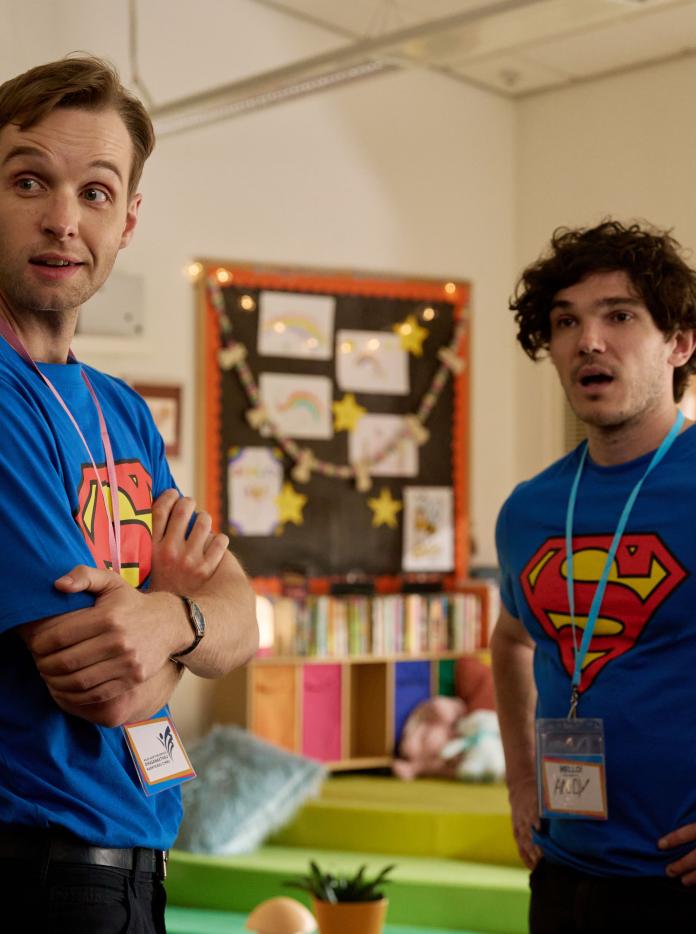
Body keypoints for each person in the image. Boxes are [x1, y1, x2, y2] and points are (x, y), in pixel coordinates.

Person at [0, 55, 258, 932]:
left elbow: (243, 618)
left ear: (128, 220)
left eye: (97, 192)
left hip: (130, 853)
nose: (63, 220)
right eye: (29, 180)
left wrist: (172, 620)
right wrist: (183, 609)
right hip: (33, 859)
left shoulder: (120, 412)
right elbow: (107, 689)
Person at [491, 220, 696, 933]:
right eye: (566, 321)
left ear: (680, 343)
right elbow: (512, 641)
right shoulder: (531, 509)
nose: (589, 341)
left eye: (620, 316)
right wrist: (521, 779)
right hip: (564, 874)